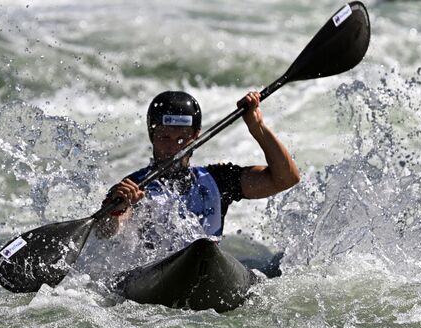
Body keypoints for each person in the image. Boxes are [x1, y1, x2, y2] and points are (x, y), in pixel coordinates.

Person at [98, 90, 300, 250]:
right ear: (152, 135)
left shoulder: (219, 180)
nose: (172, 148)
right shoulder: (133, 187)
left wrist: (258, 127)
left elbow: (286, 179)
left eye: (181, 139)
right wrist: (115, 211)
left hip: (205, 264)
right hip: (155, 275)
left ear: (195, 137)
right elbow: (105, 233)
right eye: (164, 137)